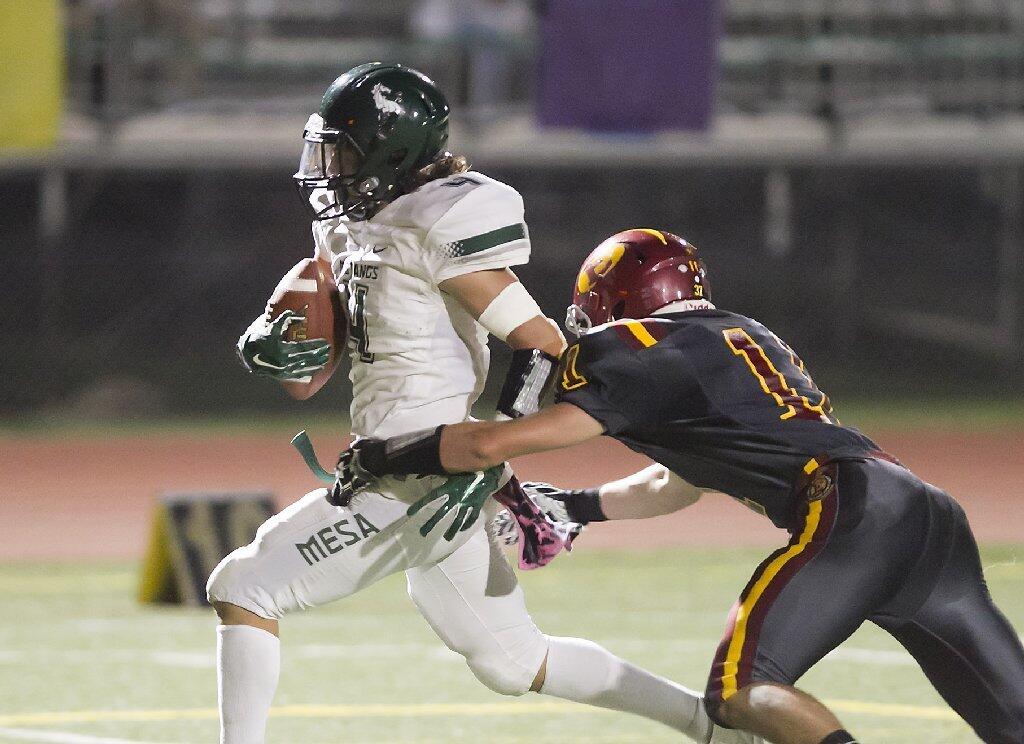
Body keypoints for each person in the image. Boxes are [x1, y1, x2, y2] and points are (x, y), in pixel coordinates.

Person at [210, 65, 760, 744]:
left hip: (416, 475)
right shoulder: (354, 226)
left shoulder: (437, 216)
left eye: (345, 150)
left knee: (246, 585)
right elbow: (313, 373)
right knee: (513, 660)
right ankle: (712, 728)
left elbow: (540, 342)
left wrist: (492, 449)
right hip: (410, 467)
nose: (330, 166)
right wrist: (283, 344)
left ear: (392, 149)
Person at [336, 228, 1024, 744]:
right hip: (920, 510)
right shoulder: (739, 334)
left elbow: (491, 441)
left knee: (741, 689)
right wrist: (577, 507)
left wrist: (394, 453)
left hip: (854, 513)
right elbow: (678, 480)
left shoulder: (634, 346)